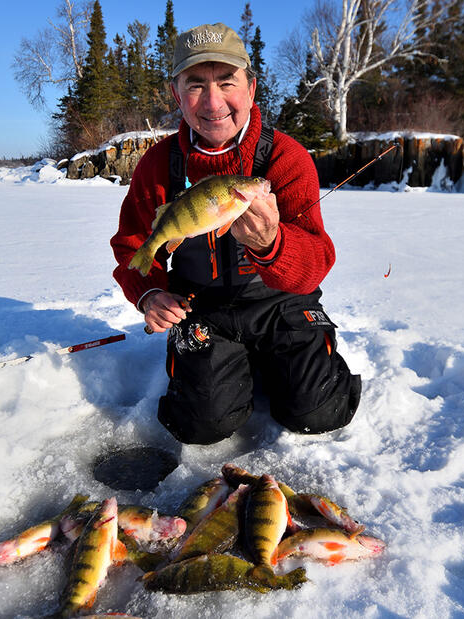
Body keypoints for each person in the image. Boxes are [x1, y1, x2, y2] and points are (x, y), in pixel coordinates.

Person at [110, 23, 361, 445]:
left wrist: (273, 245)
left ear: (251, 87)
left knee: (318, 410)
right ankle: (225, 370)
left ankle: (297, 362)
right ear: (176, 93)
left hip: (280, 303)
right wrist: (149, 294)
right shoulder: (158, 165)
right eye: (195, 85)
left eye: (227, 82)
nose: (213, 102)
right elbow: (134, 247)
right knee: (200, 424)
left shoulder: (285, 158)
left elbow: (317, 262)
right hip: (202, 308)